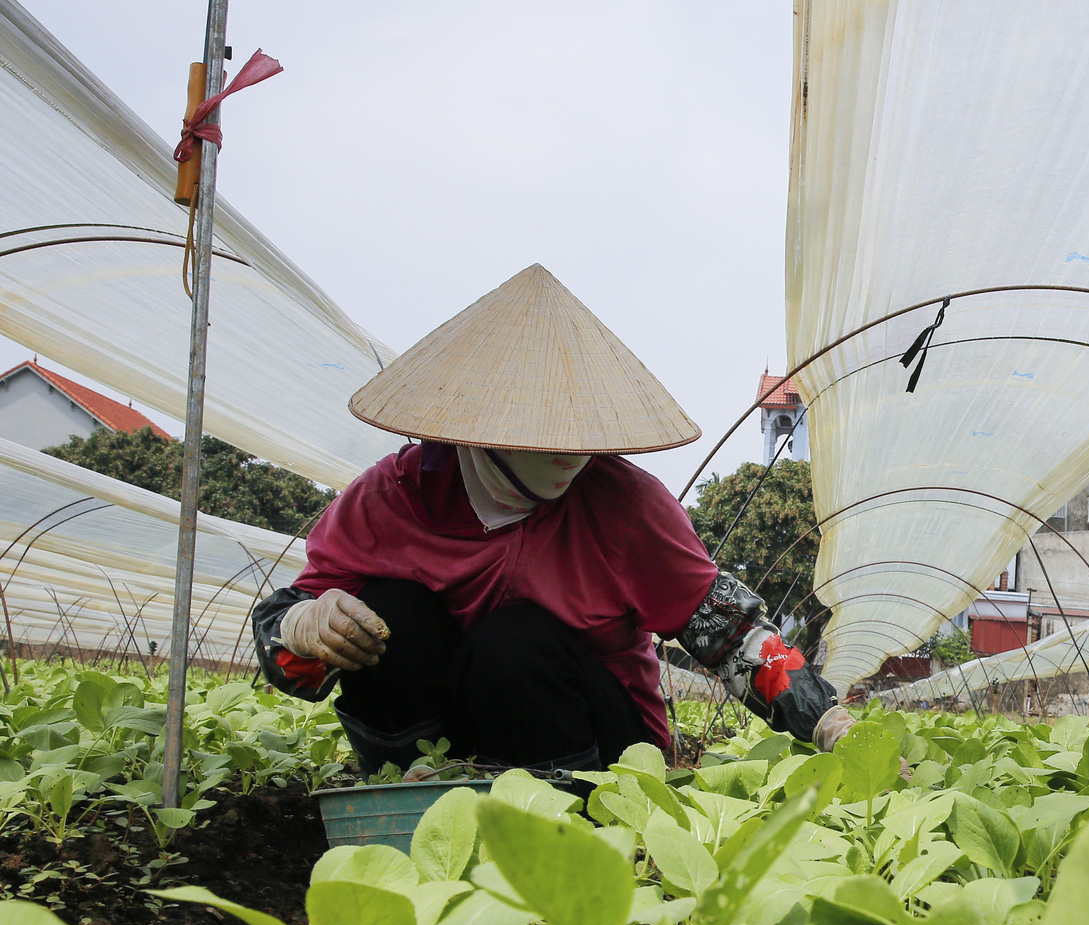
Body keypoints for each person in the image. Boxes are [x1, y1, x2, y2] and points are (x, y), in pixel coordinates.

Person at [252, 265, 849, 774]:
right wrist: (304, 626)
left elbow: (733, 637)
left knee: (513, 645)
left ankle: (562, 829)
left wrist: (823, 718)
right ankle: (412, 799)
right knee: (388, 614)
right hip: (438, 737)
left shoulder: (627, 507)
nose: (566, 452)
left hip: (591, 742)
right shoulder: (392, 498)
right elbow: (293, 653)